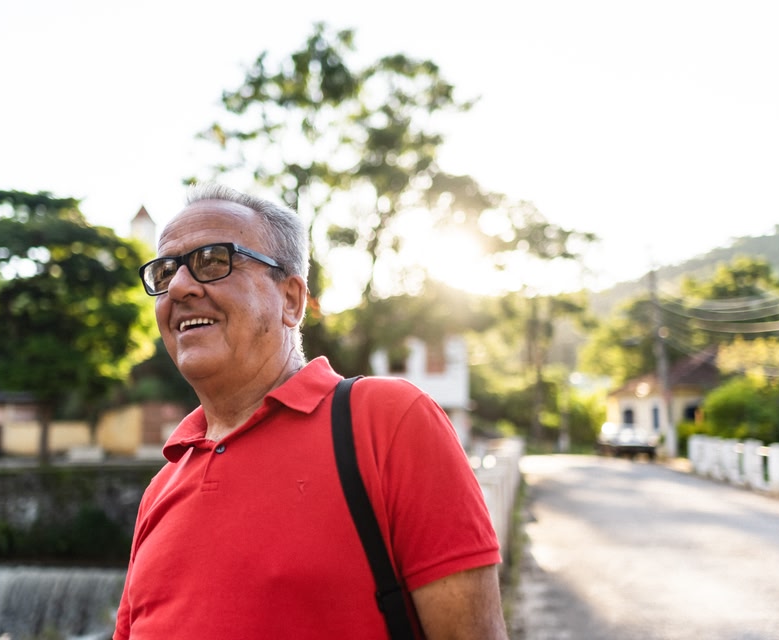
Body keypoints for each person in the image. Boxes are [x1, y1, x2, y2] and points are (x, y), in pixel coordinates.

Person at [114, 183, 509, 639]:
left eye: (212, 261)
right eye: (165, 273)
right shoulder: (164, 484)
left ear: (291, 299)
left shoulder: (387, 421)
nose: (180, 286)